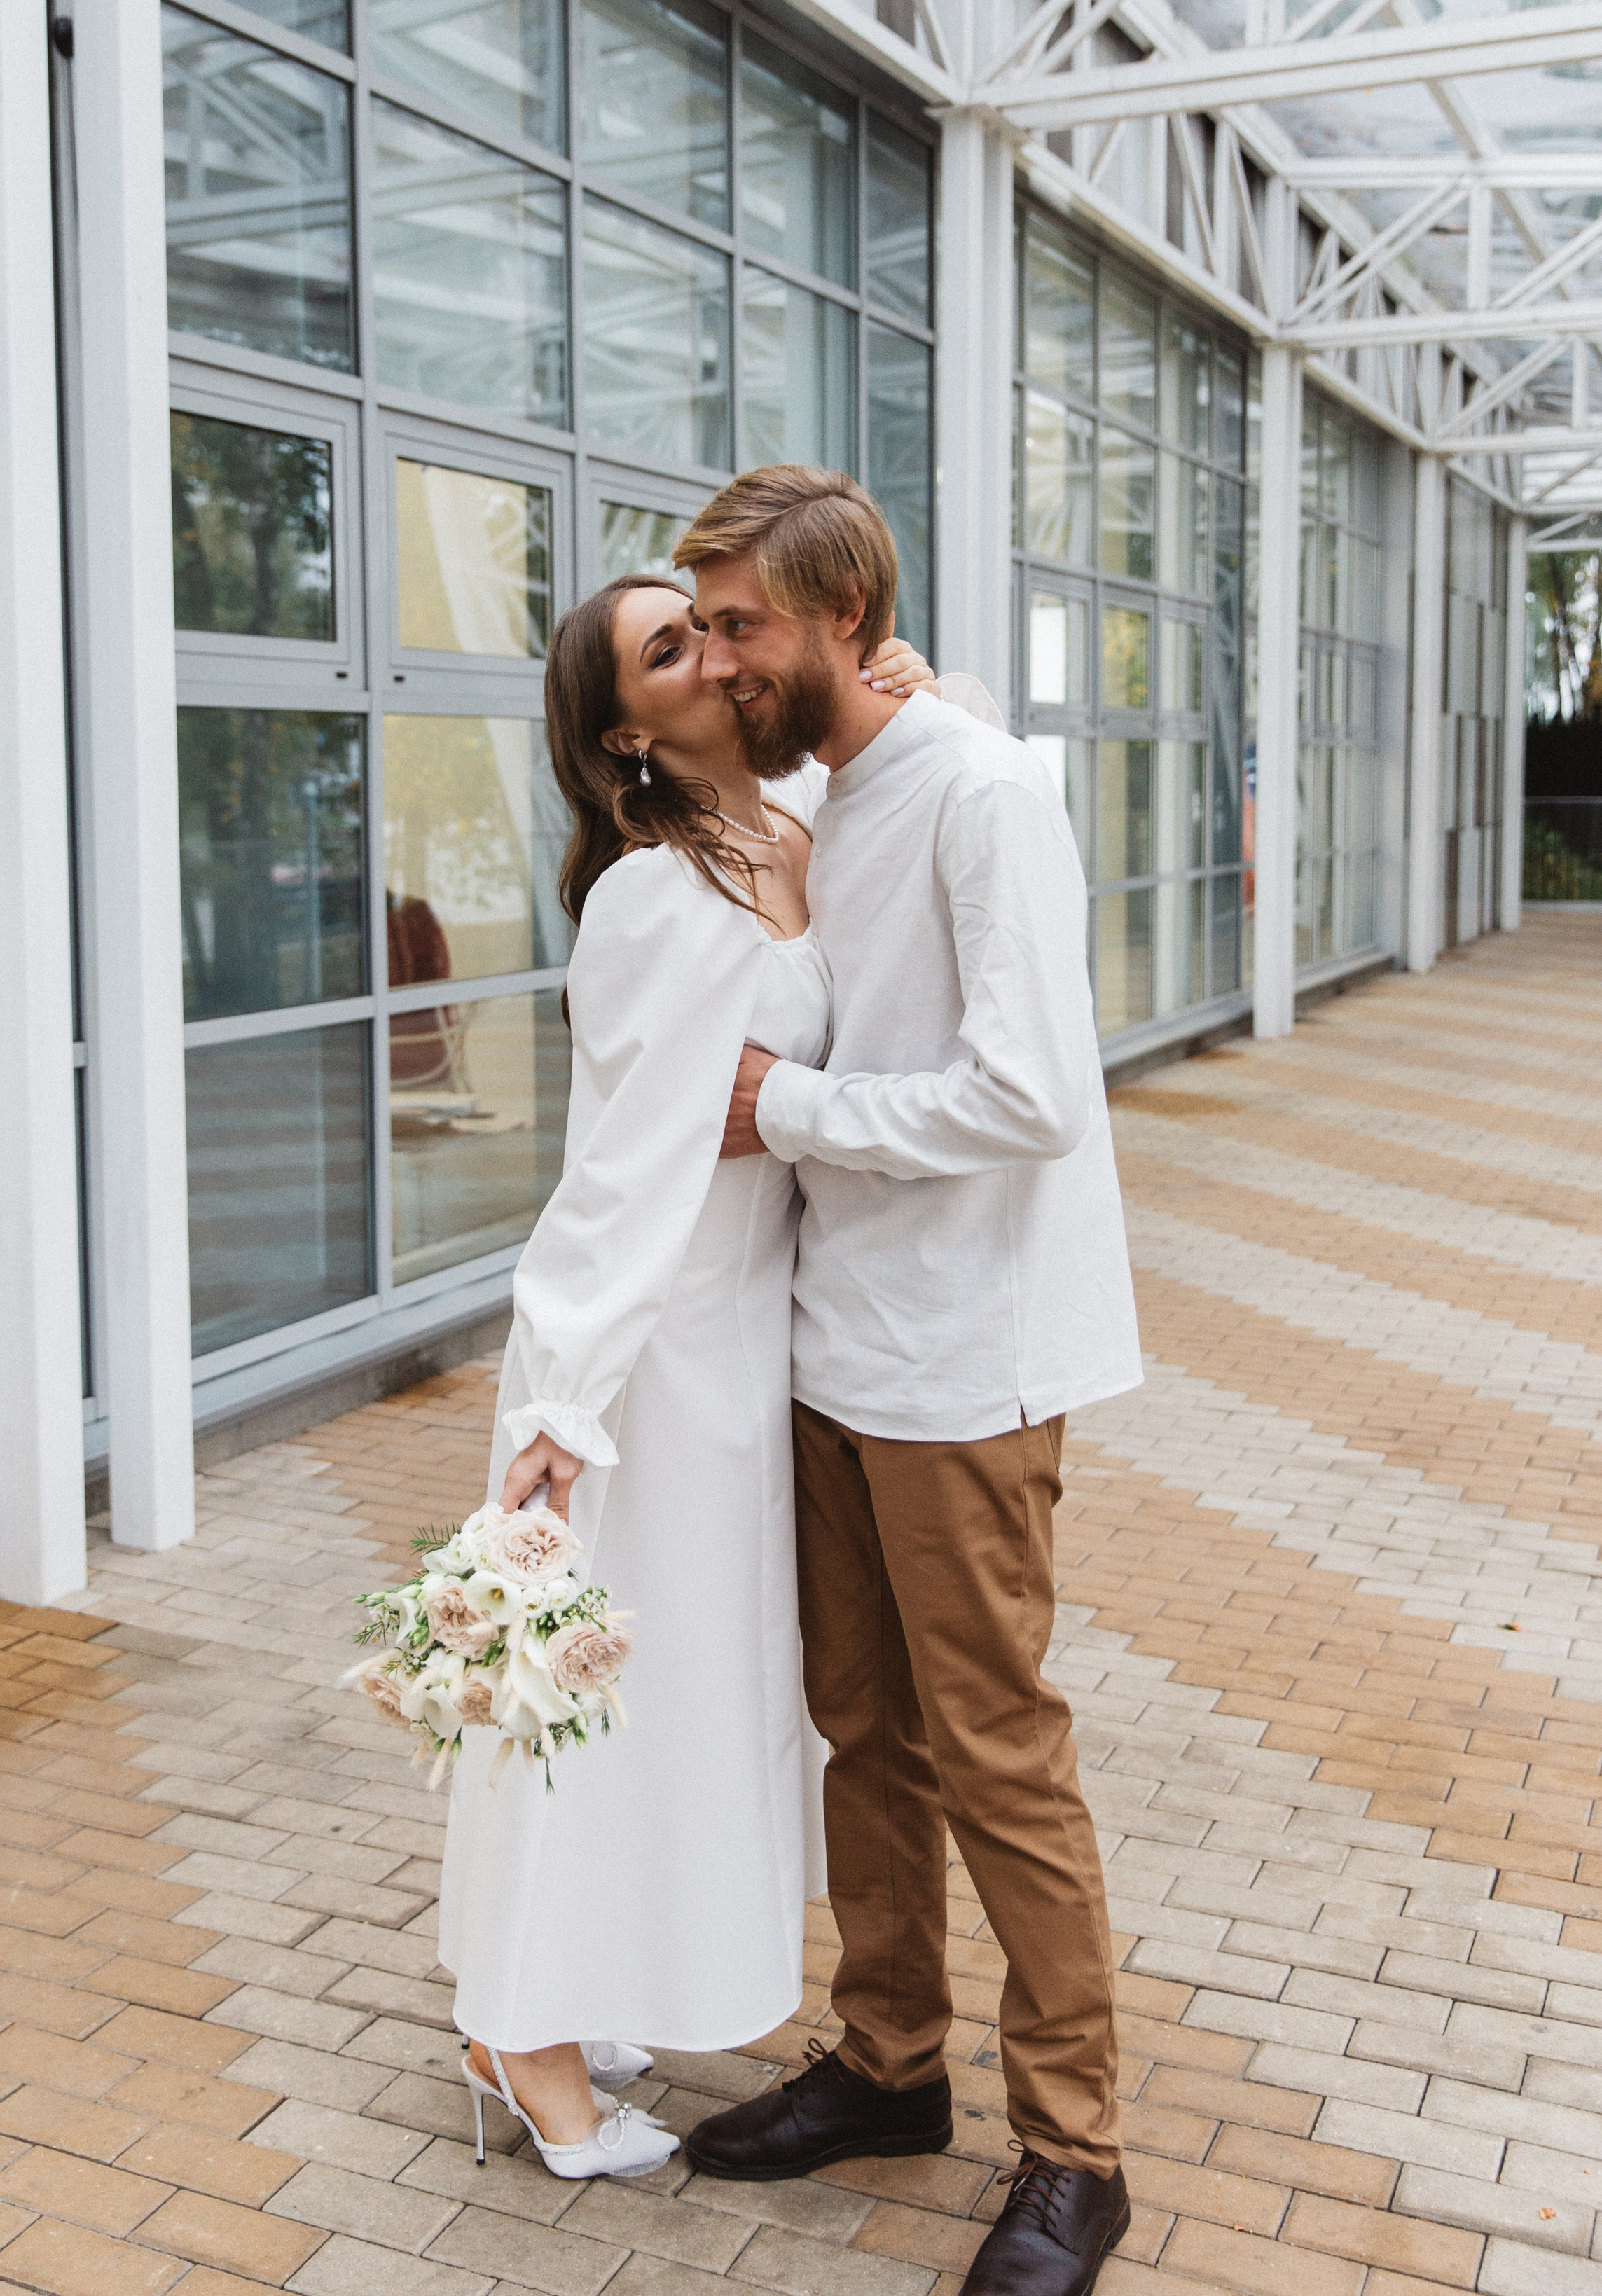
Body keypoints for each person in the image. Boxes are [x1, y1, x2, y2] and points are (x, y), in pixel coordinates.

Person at [676, 469, 1142, 2296]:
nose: (718, 660)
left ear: (846, 622)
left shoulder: (983, 795)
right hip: (834, 1347)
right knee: (864, 1738)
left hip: (966, 1363)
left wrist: (776, 1110)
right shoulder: (841, 778)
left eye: (745, 628)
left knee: (996, 1754)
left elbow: (1036, 1093)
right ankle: (889, 2066)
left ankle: (1074, 2154)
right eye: (703, 627)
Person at [435, 572, 938, 2180]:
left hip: (742, 1354)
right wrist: (566, 1407)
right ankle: (519, 2031)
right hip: (642, 1368)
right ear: (619, 737)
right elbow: (620, 1177)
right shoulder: (653, 898)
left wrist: (924, 696)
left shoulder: (790, 832)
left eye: (713, 628)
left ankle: (565, 1990)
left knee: (677, 1709)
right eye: (672, 649)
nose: (714, 656)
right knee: (586, 1708)